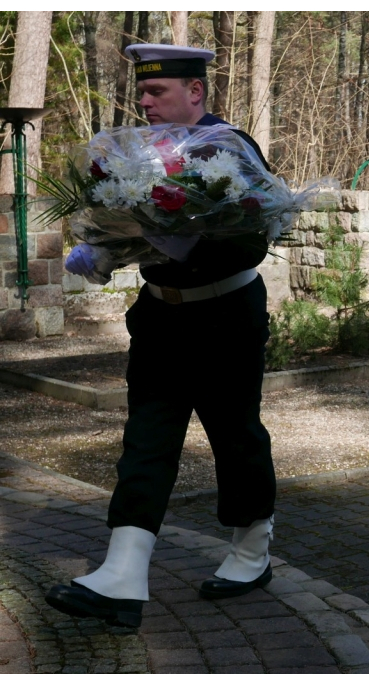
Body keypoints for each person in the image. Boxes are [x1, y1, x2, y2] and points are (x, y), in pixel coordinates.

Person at [46, 44, 277, 628]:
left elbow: (254, 240)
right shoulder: (138, 155)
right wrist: (107, 247)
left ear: (195, 92)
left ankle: (251, 552)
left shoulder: (228, 148)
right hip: (161, 315)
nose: (144, 102)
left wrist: (178, 237)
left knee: (235, 433)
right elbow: (128, 225)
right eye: (142, 93)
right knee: (147, 436)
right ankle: (122, 574)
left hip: (226, 316)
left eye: (158, 92)